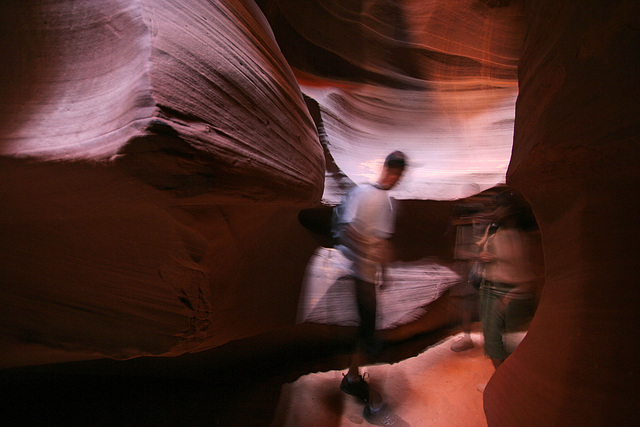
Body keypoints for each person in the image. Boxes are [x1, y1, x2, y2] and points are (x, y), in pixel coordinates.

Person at [334, 150, 407, 423]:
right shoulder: (361, 193)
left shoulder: (389, 204)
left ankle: (353, 376)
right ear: (386, 169)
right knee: (368, 329)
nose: (394, 179)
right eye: (393, 173)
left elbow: (383, 242)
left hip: (367, 274)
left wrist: (383, 272)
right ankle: (354, 380)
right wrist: (365, 253)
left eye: (399, 176)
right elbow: (346, 228)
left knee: (367, 327)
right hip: (355, 270)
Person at [476, 189, 543, 369]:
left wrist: (511, 296)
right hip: (491, 288)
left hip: (511, 292)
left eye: (499, 208)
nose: (495, 212)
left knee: (513, 341)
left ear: (510, 210)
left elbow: (526, 274)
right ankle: (500, 380)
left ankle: (510, 384)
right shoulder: (494, 230)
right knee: (492, 340)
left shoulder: (521, 235)